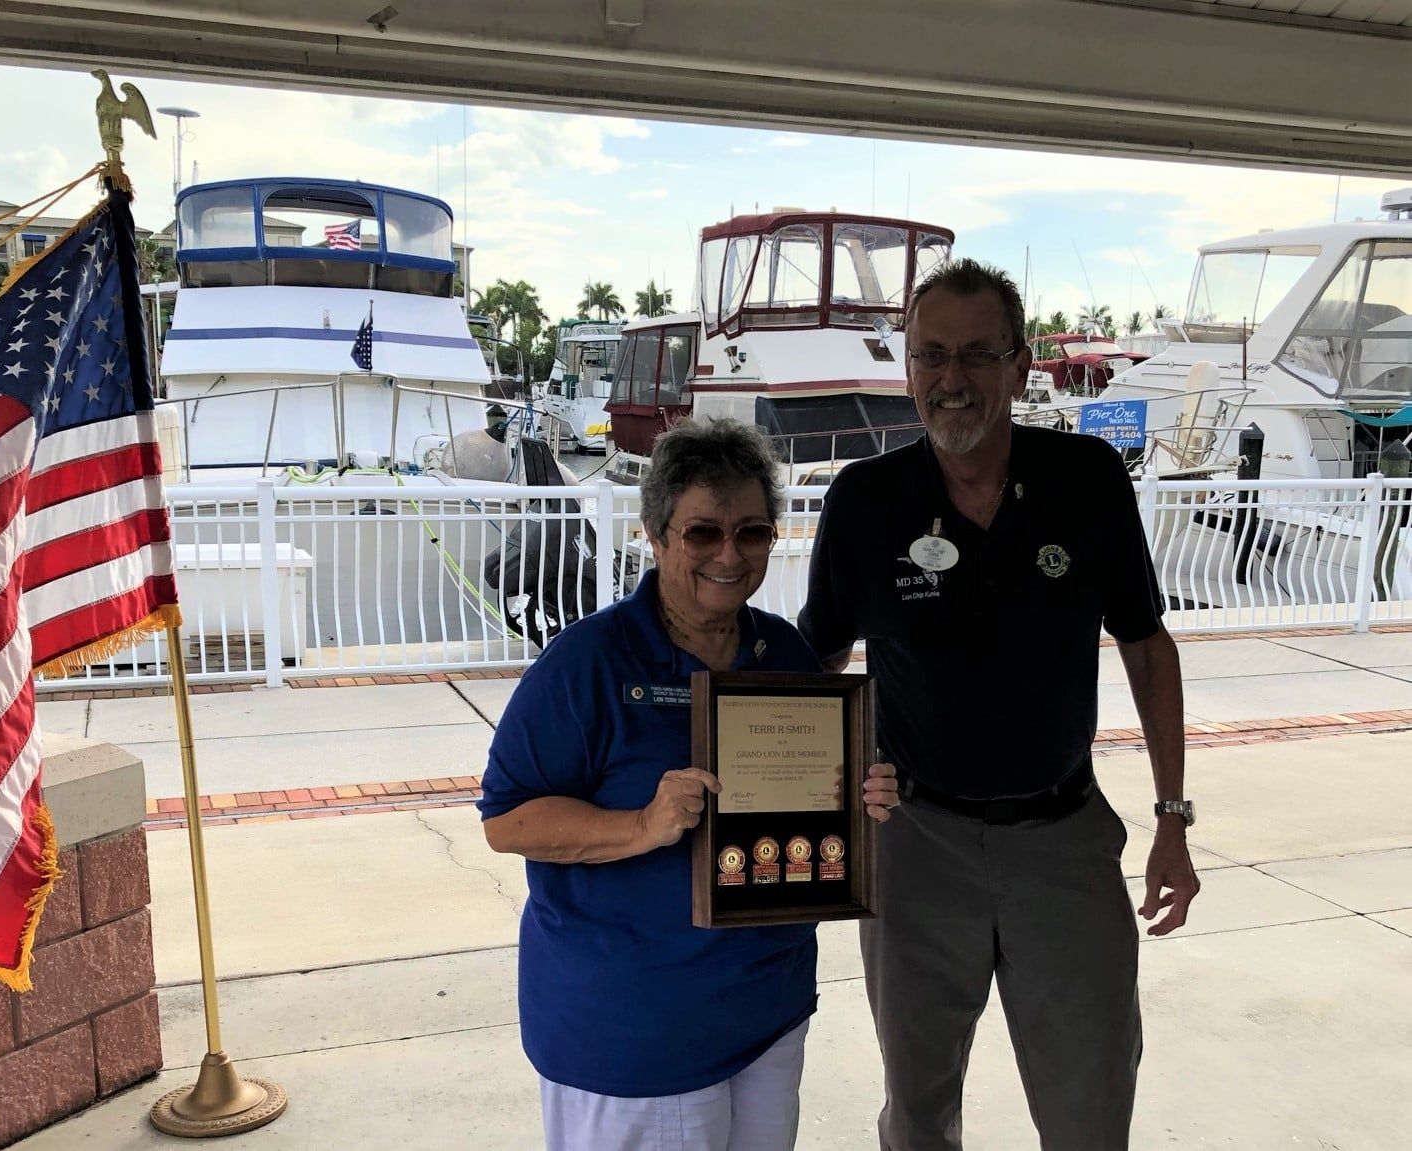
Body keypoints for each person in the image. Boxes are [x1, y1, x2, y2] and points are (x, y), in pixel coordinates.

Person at [798, 259, 1200, 1151]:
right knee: (918, 1110)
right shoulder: (864, 500)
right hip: (914, 844)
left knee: (1091, 1104)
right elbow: (814, 660)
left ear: (1022, 367)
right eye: (932, 355)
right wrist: (798, 796)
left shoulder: (1088, 478)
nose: (954, 379)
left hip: (1063, 839)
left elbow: (1146, 643)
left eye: (979, 354)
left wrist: (1172, 816)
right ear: (906, 368)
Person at [480, 417, 899, 1151]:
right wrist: (641, 825)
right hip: (633, 1030)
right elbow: (507, 820)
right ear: (656, 532)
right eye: (703, 532)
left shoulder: (784, 650)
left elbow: (819, 797)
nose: (729, 555)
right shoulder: (589, 662)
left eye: (753, 533)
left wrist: (862, 799)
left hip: (766, 1013)